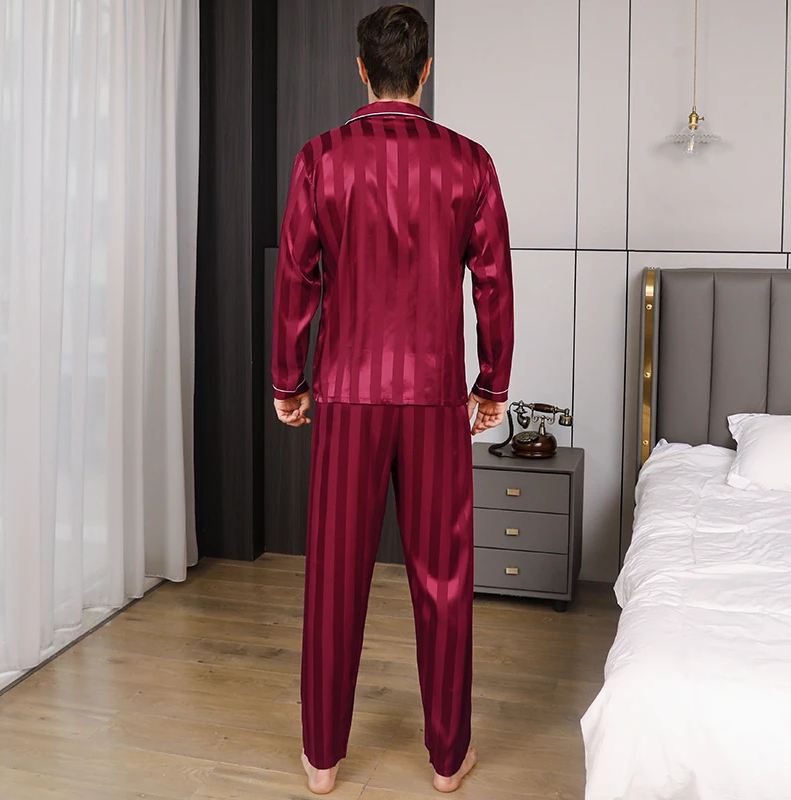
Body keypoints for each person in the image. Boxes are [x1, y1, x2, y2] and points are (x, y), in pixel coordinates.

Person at [271, 3, 514, 794]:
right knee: (443, 580)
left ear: (361, 68)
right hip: (436, 397)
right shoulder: (470, 163)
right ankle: (448, 760)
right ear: (426, 70)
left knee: (336, 576)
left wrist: (288, 380)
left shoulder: (321, 159)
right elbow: (493, 282)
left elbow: (296, 277)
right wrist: (493, 383)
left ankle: (322, 759)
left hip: (347, 395)